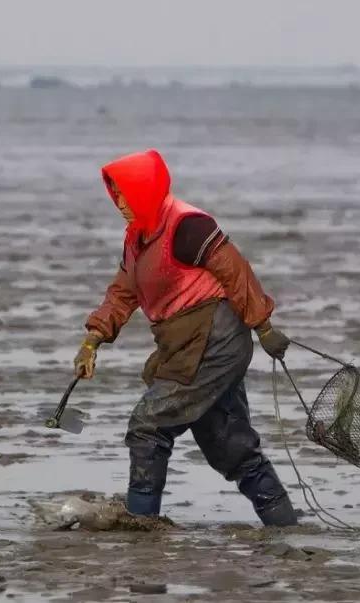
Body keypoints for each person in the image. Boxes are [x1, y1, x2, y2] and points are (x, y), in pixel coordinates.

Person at [74, 149, 298, 527]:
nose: (120, 204)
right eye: (116, 196)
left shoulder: (188, 226)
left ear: (146, 190)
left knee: (149, 425)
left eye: (126, 194)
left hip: (214, 340)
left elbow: (236, 274)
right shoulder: (137, 238)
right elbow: (122, 294)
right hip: (181, 345)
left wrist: (264, 328)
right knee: (232, 448)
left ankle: (141, 524)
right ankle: (286, 528)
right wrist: (92, 341)